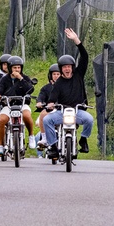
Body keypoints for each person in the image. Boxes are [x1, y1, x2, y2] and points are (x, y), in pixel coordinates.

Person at [42, 28, 94, 158]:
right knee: (47, 120)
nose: (67, 69)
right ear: (61, 69)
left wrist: (76, 41)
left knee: (89, 119)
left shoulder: (78, 75)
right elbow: (53, 97)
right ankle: (53, 145)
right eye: (64, 67)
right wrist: (50, 104)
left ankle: (83, 140)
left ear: (72, 67)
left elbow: (85, 56)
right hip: (62, 112)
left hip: (77, 111)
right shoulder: (58, 82)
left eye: (69, 66)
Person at [0, 56, 37, 155]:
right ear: (10, 68)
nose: (17, 70)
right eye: (14, 68)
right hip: (8, 105)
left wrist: (20, 78)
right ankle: (0, 145)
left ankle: (31, 136)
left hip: (22, 104)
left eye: (19, 67)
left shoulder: (24, 78)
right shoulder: (4, 79)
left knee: (26, 115)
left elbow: (30, 89)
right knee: (1, 120)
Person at [34, 63, 61, 149]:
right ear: (50, 75)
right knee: (43, 114)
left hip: (63, 109)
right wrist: (39, 102)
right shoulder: (46, 88)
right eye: (54, 74)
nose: (56, 76)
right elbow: (41, 96)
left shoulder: (66, 86)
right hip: (50, 110)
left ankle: (72, 138)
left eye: (58, 74)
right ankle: (44, 138)